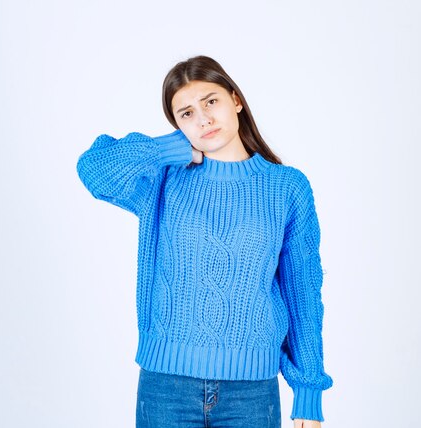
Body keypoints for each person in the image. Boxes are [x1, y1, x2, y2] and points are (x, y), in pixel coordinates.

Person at [76, 55, 333, 428]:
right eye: (186, 113)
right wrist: (171, 149)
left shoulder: (286, 187)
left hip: (251, 392)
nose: (203, 119)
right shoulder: (164, 180)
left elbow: (303, 293)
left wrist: (308, 392)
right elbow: (93, 168)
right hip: (166, 386)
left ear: (236, 100)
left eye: (211, 101)